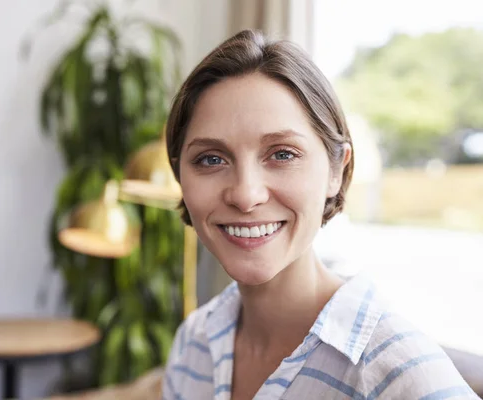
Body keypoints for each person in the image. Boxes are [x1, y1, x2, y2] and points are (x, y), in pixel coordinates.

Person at [162, 29, 479, 400]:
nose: (246, 195)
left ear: (336, 171)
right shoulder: (192, 343)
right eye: (211, 159)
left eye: (282, 154)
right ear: (180, 175)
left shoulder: (400, 376)